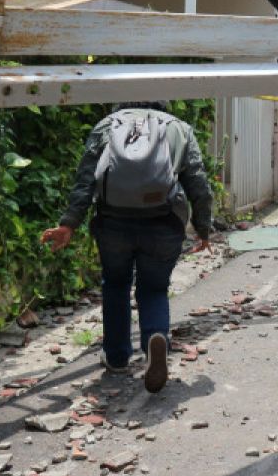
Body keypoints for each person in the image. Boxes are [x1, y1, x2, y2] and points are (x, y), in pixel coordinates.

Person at [40, 101, 213, 393]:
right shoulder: (179, 128)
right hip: (163, 223)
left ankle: (118, 357)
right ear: (163, 104)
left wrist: (68, 224)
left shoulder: (108, 124)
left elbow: (85, 179)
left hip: (113, 223)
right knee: (154, 288)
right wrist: (204, 229)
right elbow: (198, 184)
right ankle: (154, 338)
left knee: (116, 284)